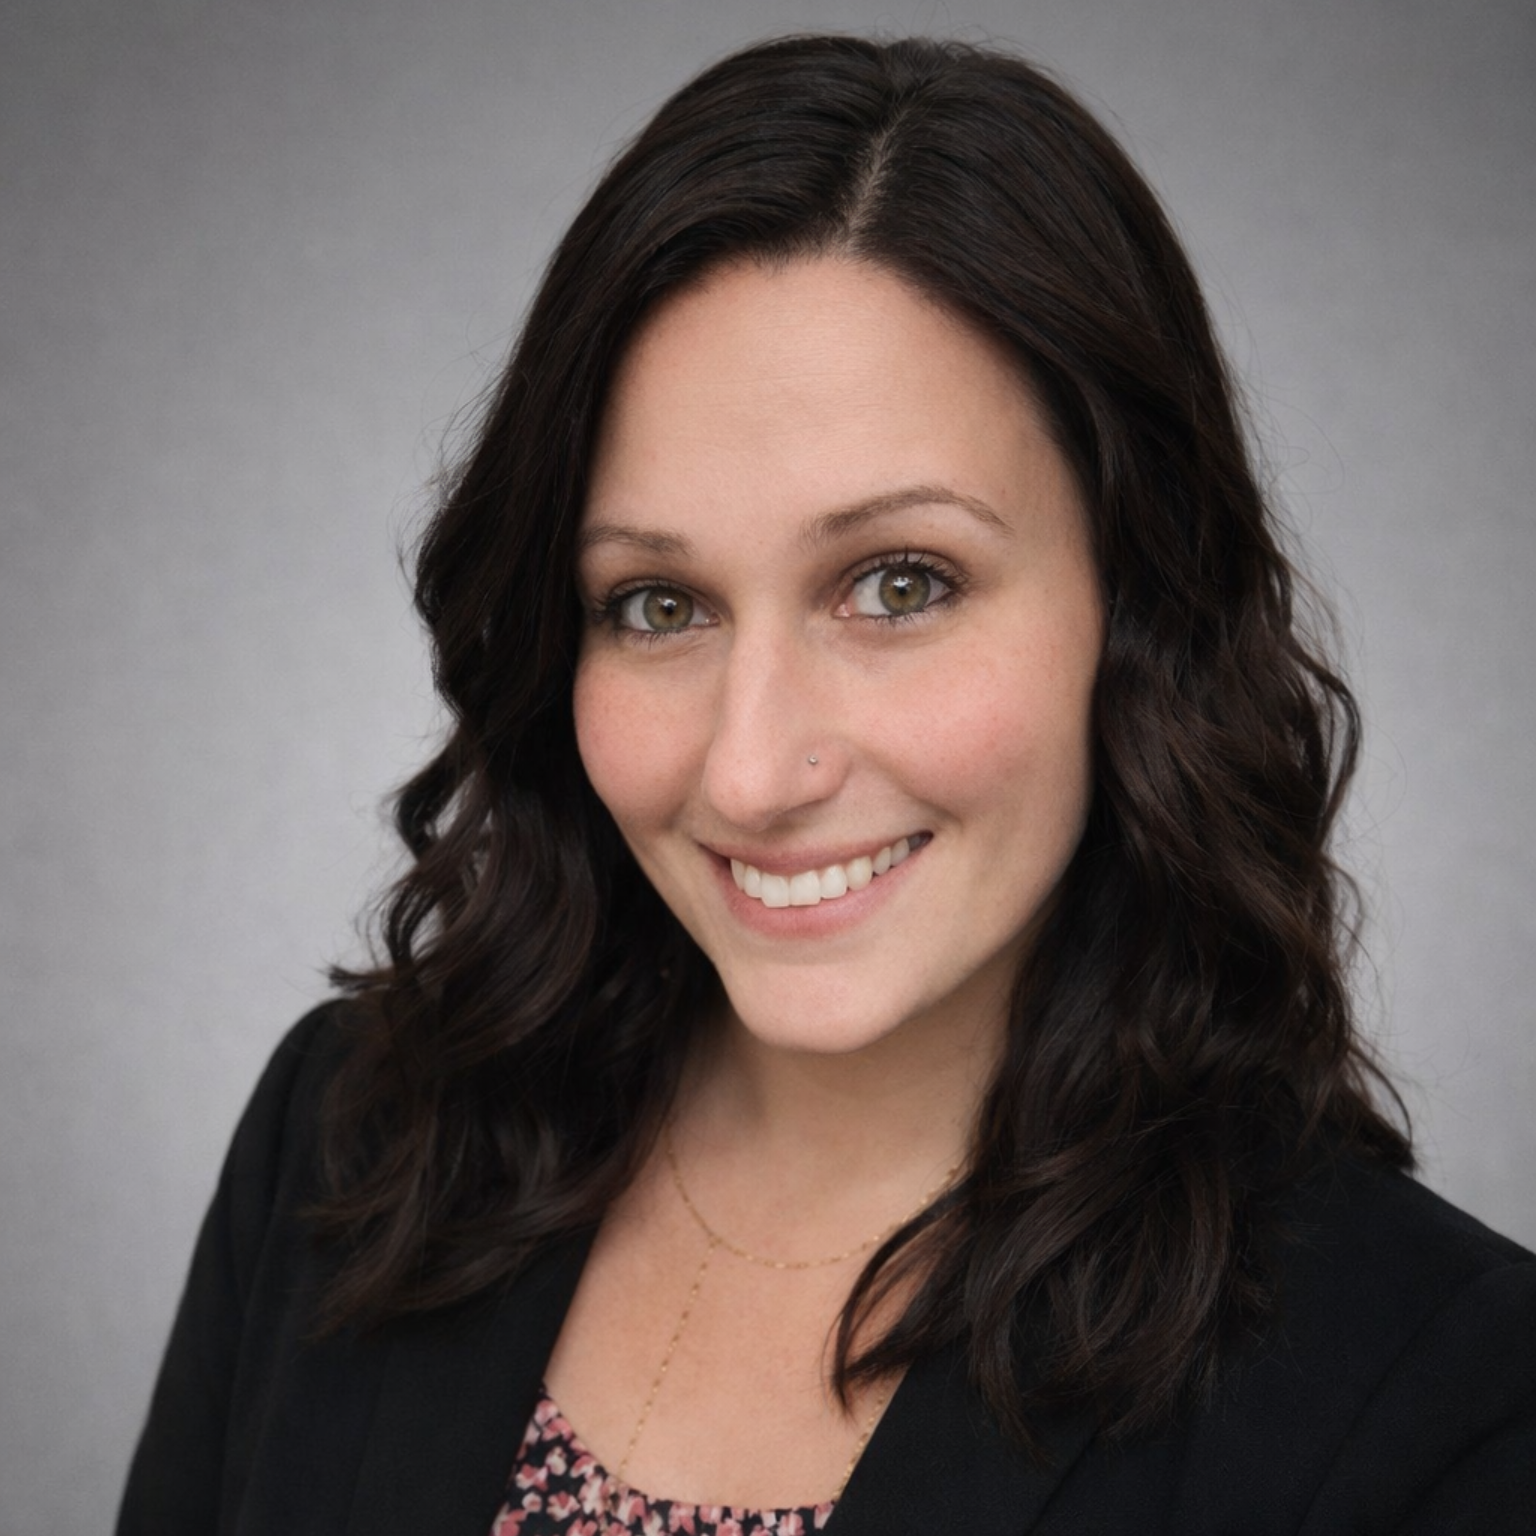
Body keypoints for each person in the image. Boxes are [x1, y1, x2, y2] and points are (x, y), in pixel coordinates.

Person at [116, 33, 1535, 1536]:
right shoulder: (344, 1137)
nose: (750, 768)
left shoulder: (1441, 1397)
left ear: (1139, 603)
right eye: (659, 605)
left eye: (898, 583)